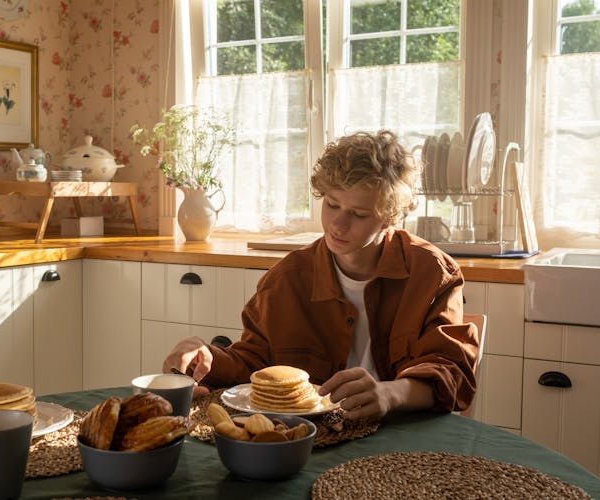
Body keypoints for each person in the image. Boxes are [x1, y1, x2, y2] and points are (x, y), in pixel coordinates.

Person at [162, 130, 479, 421]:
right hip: (312, 442)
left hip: (403, 441)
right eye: (332, 204)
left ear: (390, 217)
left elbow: (451, 372)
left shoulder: (432, 273)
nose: (338, 225)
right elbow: (253, 363)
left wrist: (390, 394)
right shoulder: (286, 279)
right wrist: (208, 357)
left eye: (358, 214)